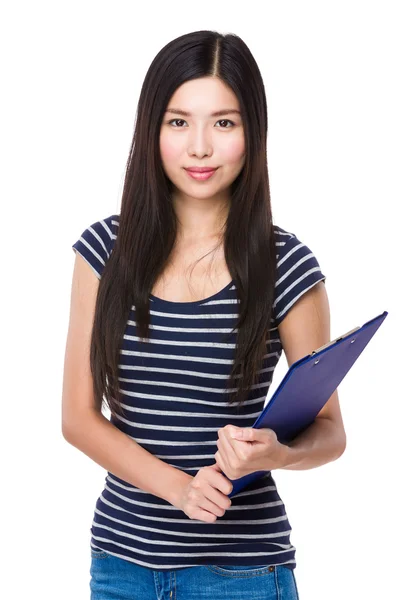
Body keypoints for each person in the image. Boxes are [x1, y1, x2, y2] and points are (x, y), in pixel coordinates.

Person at [62, 29, 346, 600]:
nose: (199, 148)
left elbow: (330, 431)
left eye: (223, 122)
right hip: (121, 568)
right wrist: (178, 489)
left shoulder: (284, 264)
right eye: (177, 122)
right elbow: (77, 418)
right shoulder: (104, 252)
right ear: (152, 130)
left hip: (241, 575)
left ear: (251, 133)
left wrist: (280, 452)